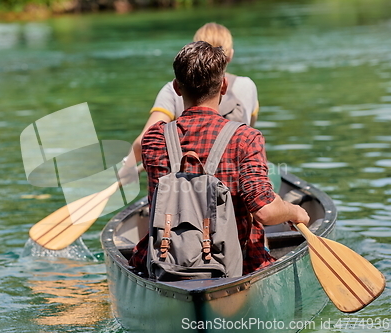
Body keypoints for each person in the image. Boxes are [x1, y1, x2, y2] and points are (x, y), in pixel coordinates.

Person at [129, 41, 309, 275]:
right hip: (237, 265)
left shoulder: (154, 138)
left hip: (164, 262)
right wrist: (294, 211)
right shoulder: (246, 138)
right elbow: (264, 211)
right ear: (223, 86)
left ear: (176, 88)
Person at [118, 22, 259, 179]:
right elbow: (250, 126)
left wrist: (127, 167)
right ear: (230, 55)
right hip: (233, 178)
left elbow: (143, 141)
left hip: (186, 182)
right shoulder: (247, 86)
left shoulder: (173, 89)